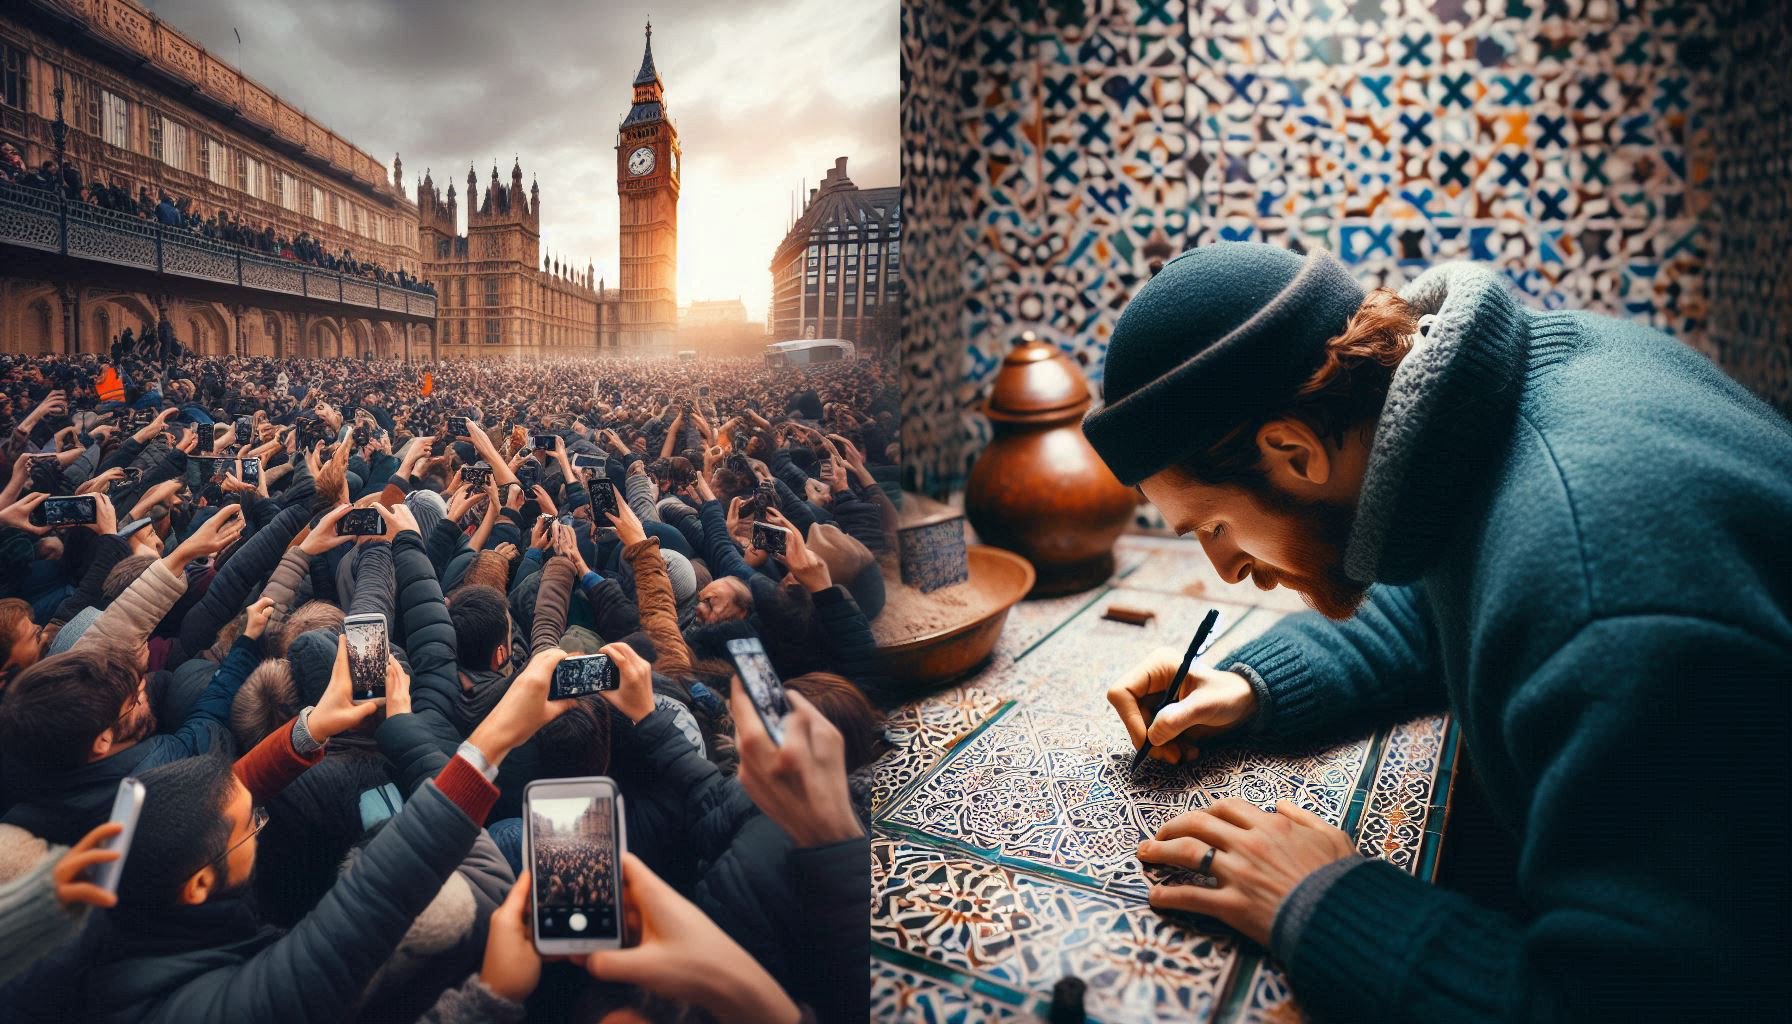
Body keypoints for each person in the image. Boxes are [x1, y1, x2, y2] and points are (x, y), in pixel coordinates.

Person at [1083, 241, 1792, 1021]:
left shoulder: (1603, 596)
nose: (1225, 570)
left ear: (1293, 451)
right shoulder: (1500, 415)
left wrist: (1320, 899)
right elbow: (1441, 590)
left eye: (1213, 526)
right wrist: (1252, 687)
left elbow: (1639, 1000)